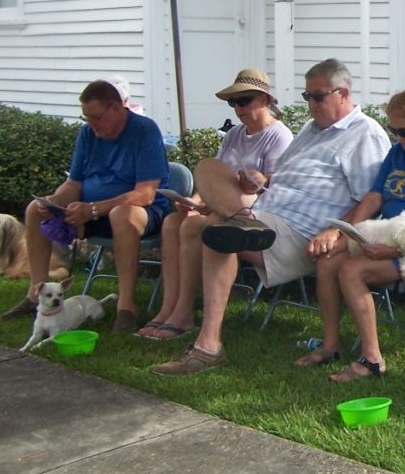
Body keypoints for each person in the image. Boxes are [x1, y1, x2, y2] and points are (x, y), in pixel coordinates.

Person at [151, 59, 390, 375]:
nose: (311, 104)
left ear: (343, 93)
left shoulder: (364, 133)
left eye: (317, 96)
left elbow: (371, 198)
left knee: (215, 231)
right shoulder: (310, 129)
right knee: (206, 176)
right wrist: (261, 183)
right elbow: (282, 178)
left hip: (304, 232)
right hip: (268, 212)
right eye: (307, 97)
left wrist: (337, 233)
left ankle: (208, 346)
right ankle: (184, 315)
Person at [293, 89, 405, 380]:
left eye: (404, 131)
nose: (399, 137)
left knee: (352, 271)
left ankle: (372, 359)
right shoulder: (398, 152)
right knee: (327, 260)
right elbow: (375, 196)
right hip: (387, 232)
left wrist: (391, 250)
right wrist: (345, 234)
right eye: (393, 130)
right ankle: (331, 344)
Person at [0, 80, 169, 333]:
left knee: (123, 214)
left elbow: (145, 193)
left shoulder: (144, 131)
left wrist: (92, 209)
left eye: (96, 117)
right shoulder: (88, 134)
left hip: (142, 212)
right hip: (92, 209)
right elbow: (74, 183)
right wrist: (56, 200)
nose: (92, 124)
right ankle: (35, 295)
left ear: (114, 108)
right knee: (36, 209)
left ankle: (127, 306)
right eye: (86, 118)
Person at [136, 68, 293, 339]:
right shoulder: (234, 135)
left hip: (252, 211)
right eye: (234, 103)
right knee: (173, 222)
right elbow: (215, 177)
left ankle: (183, 313)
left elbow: (275, 186)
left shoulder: (278, 136)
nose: (238, 108)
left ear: (265, 100)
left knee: (193, 227)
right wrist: (193, 200)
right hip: (221, 203)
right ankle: (169, 307)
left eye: (245, 101)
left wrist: (256, 179)